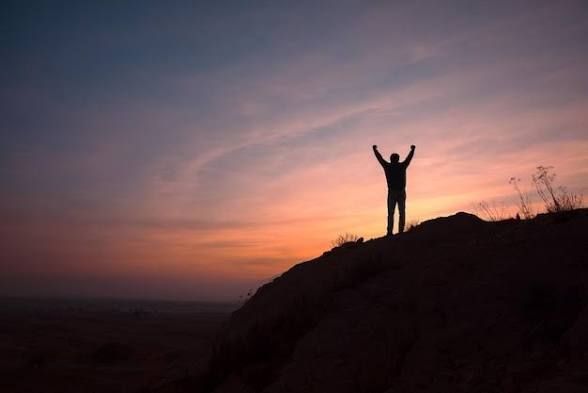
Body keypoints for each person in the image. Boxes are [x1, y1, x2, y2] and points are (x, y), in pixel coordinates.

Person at [373, 144, 415, 235]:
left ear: (392, 159)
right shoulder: (400, 166)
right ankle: (397, 232)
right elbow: (409, 158)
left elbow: (380, 158)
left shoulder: (389, 166)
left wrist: (375, 150)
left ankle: (392, 232)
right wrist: (412, 150)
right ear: (397, 159)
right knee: (400, 212)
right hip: (397, 192)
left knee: (394, 213)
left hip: (395, 192)